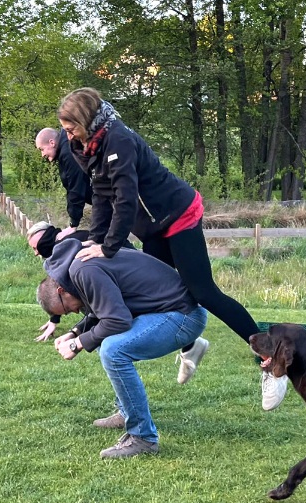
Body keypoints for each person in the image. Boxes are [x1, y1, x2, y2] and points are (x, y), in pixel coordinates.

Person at [56, 87, 275, 407]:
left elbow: (125, 199)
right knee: (153, 297)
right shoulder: (86, 145)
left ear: (87, 120)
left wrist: (109, 247)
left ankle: (269, 356)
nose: (68, 135)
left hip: (178, 215)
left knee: (203, 292)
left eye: (71, 127)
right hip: (152, 226)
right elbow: (101, 195)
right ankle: (190, 345)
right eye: (64, 129)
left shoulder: (118, 139)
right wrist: (96, 238)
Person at [38, 238, 208, 459]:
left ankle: (143, 438)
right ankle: (126, 413)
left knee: (112, 350)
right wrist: (74, 333)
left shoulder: (83, 271)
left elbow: (117, 320)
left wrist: (76, 344)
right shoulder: (79, 268)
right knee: (103, 342)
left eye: (67, 310)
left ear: (61, 290)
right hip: (172, 311)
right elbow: (103, 309)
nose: (74, 312)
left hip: (184, 316)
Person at [35, 127, 93, 238]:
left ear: (52, 143)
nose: (42, 155)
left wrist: (73, 224)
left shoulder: (68, 153)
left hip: (110, 193)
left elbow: (76, 188)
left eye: (42, 149)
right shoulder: (65, 149)